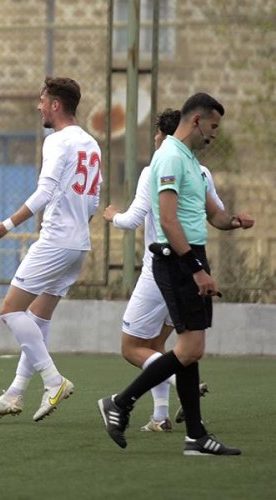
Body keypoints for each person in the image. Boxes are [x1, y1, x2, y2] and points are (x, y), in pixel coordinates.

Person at [98, 92, 254, 455]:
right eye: (213, 126)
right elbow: (167, 221)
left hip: (190, 258)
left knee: (189, 350)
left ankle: (195, 436)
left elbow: (214, 214)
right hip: (176, 261)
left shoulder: (192, 162)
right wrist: (196, 270)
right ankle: (120, 403)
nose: (215, 134)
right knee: (189, 348)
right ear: (196, 120)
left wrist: (234, 220)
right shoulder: (168, 157)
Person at [0, 77, 101, 422]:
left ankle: (53, 380)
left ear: (56, 105)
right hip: (78, 244)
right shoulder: (91, 143)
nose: (39, 107)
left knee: (10, 311)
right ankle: (15, 393)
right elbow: (93, 200)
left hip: (57, 241)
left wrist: (7, 225)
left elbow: (44, 192)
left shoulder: (57, 141)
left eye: (42, 101)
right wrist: (76, 231)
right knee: (39, 318)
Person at [102, 109, 221, 432]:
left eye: (157, 134)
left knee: (132, 348)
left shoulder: (158, 165)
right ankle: (160, 417)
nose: (155, 139)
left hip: (161, 270)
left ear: (165, 136)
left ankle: (162, 388)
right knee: (158, 344)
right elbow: (217, 213)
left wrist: (112, 216)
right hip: (189, 266)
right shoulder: (201, 170)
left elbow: (133, 219)